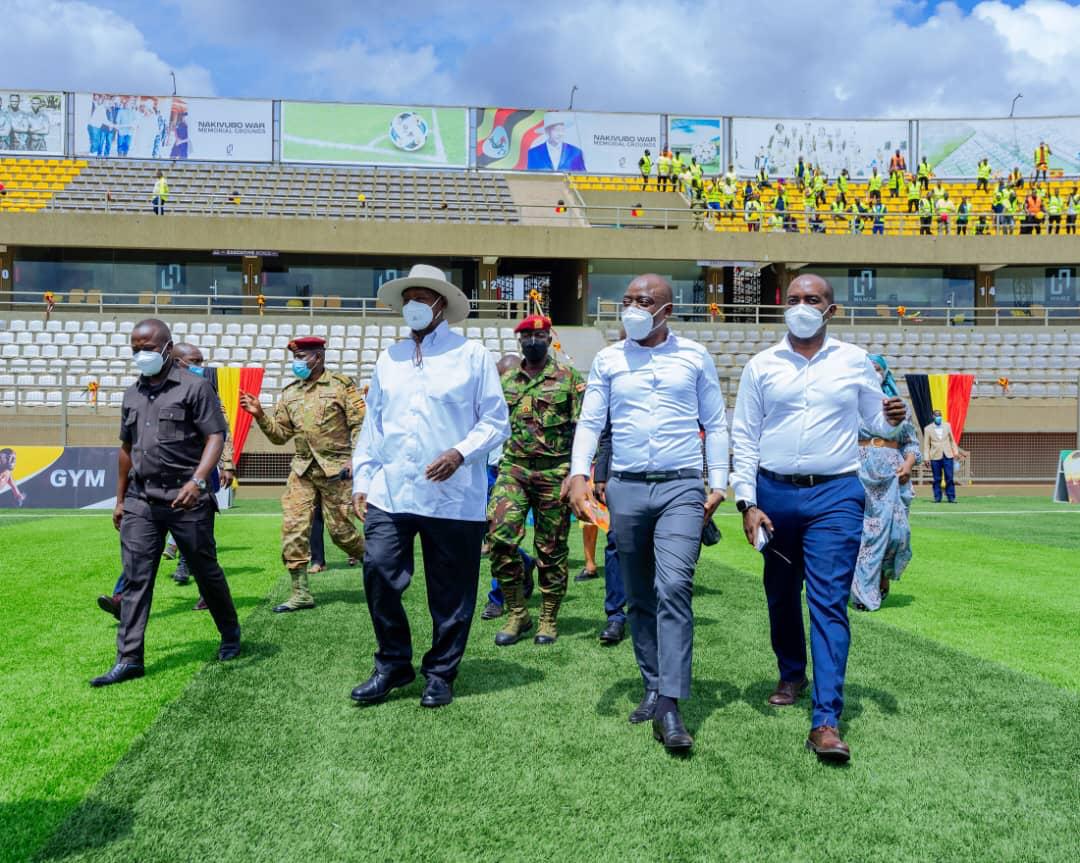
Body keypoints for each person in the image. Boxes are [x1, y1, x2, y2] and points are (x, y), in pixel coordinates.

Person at [730, 274, 908, 763]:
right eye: (794, 300)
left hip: (835, 494)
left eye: (813, 300)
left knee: (828, 601)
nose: (801, 306)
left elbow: (873, 419)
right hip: (773, 492)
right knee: (781, 593)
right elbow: (743, 435)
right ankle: (791, 671)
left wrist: (889, 418)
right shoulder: (761, 365)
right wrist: (747, 502)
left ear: (831, 310)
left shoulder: (854, 360)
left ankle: (825, 719)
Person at [568, 274, 729, 754]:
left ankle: (671, 707)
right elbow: (592, 421)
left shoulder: (694, 356)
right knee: (638, 594)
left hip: (681, 485)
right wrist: (579, 473)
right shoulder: (608, 359)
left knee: (674, 586)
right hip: (627, 488)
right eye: (628, 300)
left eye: (644, 301)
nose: (633, 308)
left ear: (667, 310)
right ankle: (654, 684)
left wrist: (718, 483)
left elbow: (715, 422)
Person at [350, 264, 509, 709]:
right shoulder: (390, 358)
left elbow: (496, 421)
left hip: (453, 494)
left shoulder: (472, 356)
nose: (413, 306)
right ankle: (392, 663)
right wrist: (364, 478)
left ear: (441, 304)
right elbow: (373, 424)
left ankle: (440, 672)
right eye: (408, 298)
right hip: (392, 489)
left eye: (423, 297)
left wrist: (460, 452)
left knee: (451, 591)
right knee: (379, 570)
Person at [91, 319, 240, 687]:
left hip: (186, 498)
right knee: (137, 576)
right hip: (142, 499)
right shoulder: (132, 394)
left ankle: (230, 633)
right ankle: (129, 659)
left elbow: (215, 436)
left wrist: (197, 479)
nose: (141, 353)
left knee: (205, 571)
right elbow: (126, 449)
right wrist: (120, 498)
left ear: (167, 347)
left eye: (148, 346)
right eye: (135, 347)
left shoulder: (195, 387)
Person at [241, 335, 366, 612]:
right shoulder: (289, 393)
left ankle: (377, 564)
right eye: (295, 357)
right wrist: (260, 415)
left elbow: (360, 425)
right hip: (303, 471)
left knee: (341, 533)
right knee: (293, 529)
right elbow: (279, 436)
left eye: (302, 357)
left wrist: (356, 460)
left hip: (337, 470)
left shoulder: (341, 386)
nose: (297, 362)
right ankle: (300, 593)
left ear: (318, 358)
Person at [488, 315, 583, 646]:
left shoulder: (568, 378)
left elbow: (585, 428)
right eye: (528, 336)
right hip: (513, 468)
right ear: (519, 341)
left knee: (552, 548)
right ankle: (517, 612)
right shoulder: (507, 380)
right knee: (499, 539)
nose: (533, 341)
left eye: (540, 336)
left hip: (555, 470)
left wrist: (581, 471)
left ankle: (547, 617)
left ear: (549, 339)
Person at [851, 356, 921, 612]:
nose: (874, 373)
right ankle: (862, 593)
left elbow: (912, 444)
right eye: (868, 369)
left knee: (896, 535)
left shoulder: (899, 407)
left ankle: (884, 575)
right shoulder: (852, 403)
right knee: (865, 535)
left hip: (893, 476)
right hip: (859, 472)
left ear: (885, 372)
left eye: (877, 369)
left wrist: (908, 464)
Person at [922, 410, 968, 504]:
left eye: (940, 415)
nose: (939, 417)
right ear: (933, 417)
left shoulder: (947, 426)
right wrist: (926, 458)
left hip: (948, 455)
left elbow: (952, 440)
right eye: (937, 416)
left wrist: (955, 452)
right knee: (937, 478)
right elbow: (926, 445)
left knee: (949, 477)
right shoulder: (928, 429)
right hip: (935, 456)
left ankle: (951, 497)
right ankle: (937, 497)